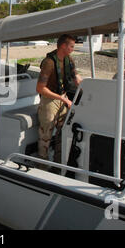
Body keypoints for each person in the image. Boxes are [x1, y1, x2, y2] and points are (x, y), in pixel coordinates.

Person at [36, 34, 83, 170]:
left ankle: (58, 165)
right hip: (49, 100)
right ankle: (42, 168)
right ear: (63, 46)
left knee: (63, 132)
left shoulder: (68, 59)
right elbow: (40, 88)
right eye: (72, 46)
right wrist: (62, 98)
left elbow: (76, 78)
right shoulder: (49, 63)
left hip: (62, 97)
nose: (73, 49)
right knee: (45, 136)